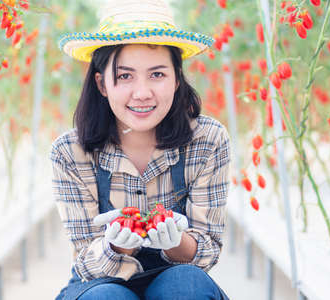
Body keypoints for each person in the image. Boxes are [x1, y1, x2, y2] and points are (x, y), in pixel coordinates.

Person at [51, 0, 231, 299]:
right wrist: (117, 245)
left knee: (187, 286)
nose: (142, 92)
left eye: (157, 74)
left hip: (177, 275)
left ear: (176, 78)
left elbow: (208, 251)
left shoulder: (208, 140)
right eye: (125, 75)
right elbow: (85, 261)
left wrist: (175, 241)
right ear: (102, 83)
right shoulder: (70, 151)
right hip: (100, 281)